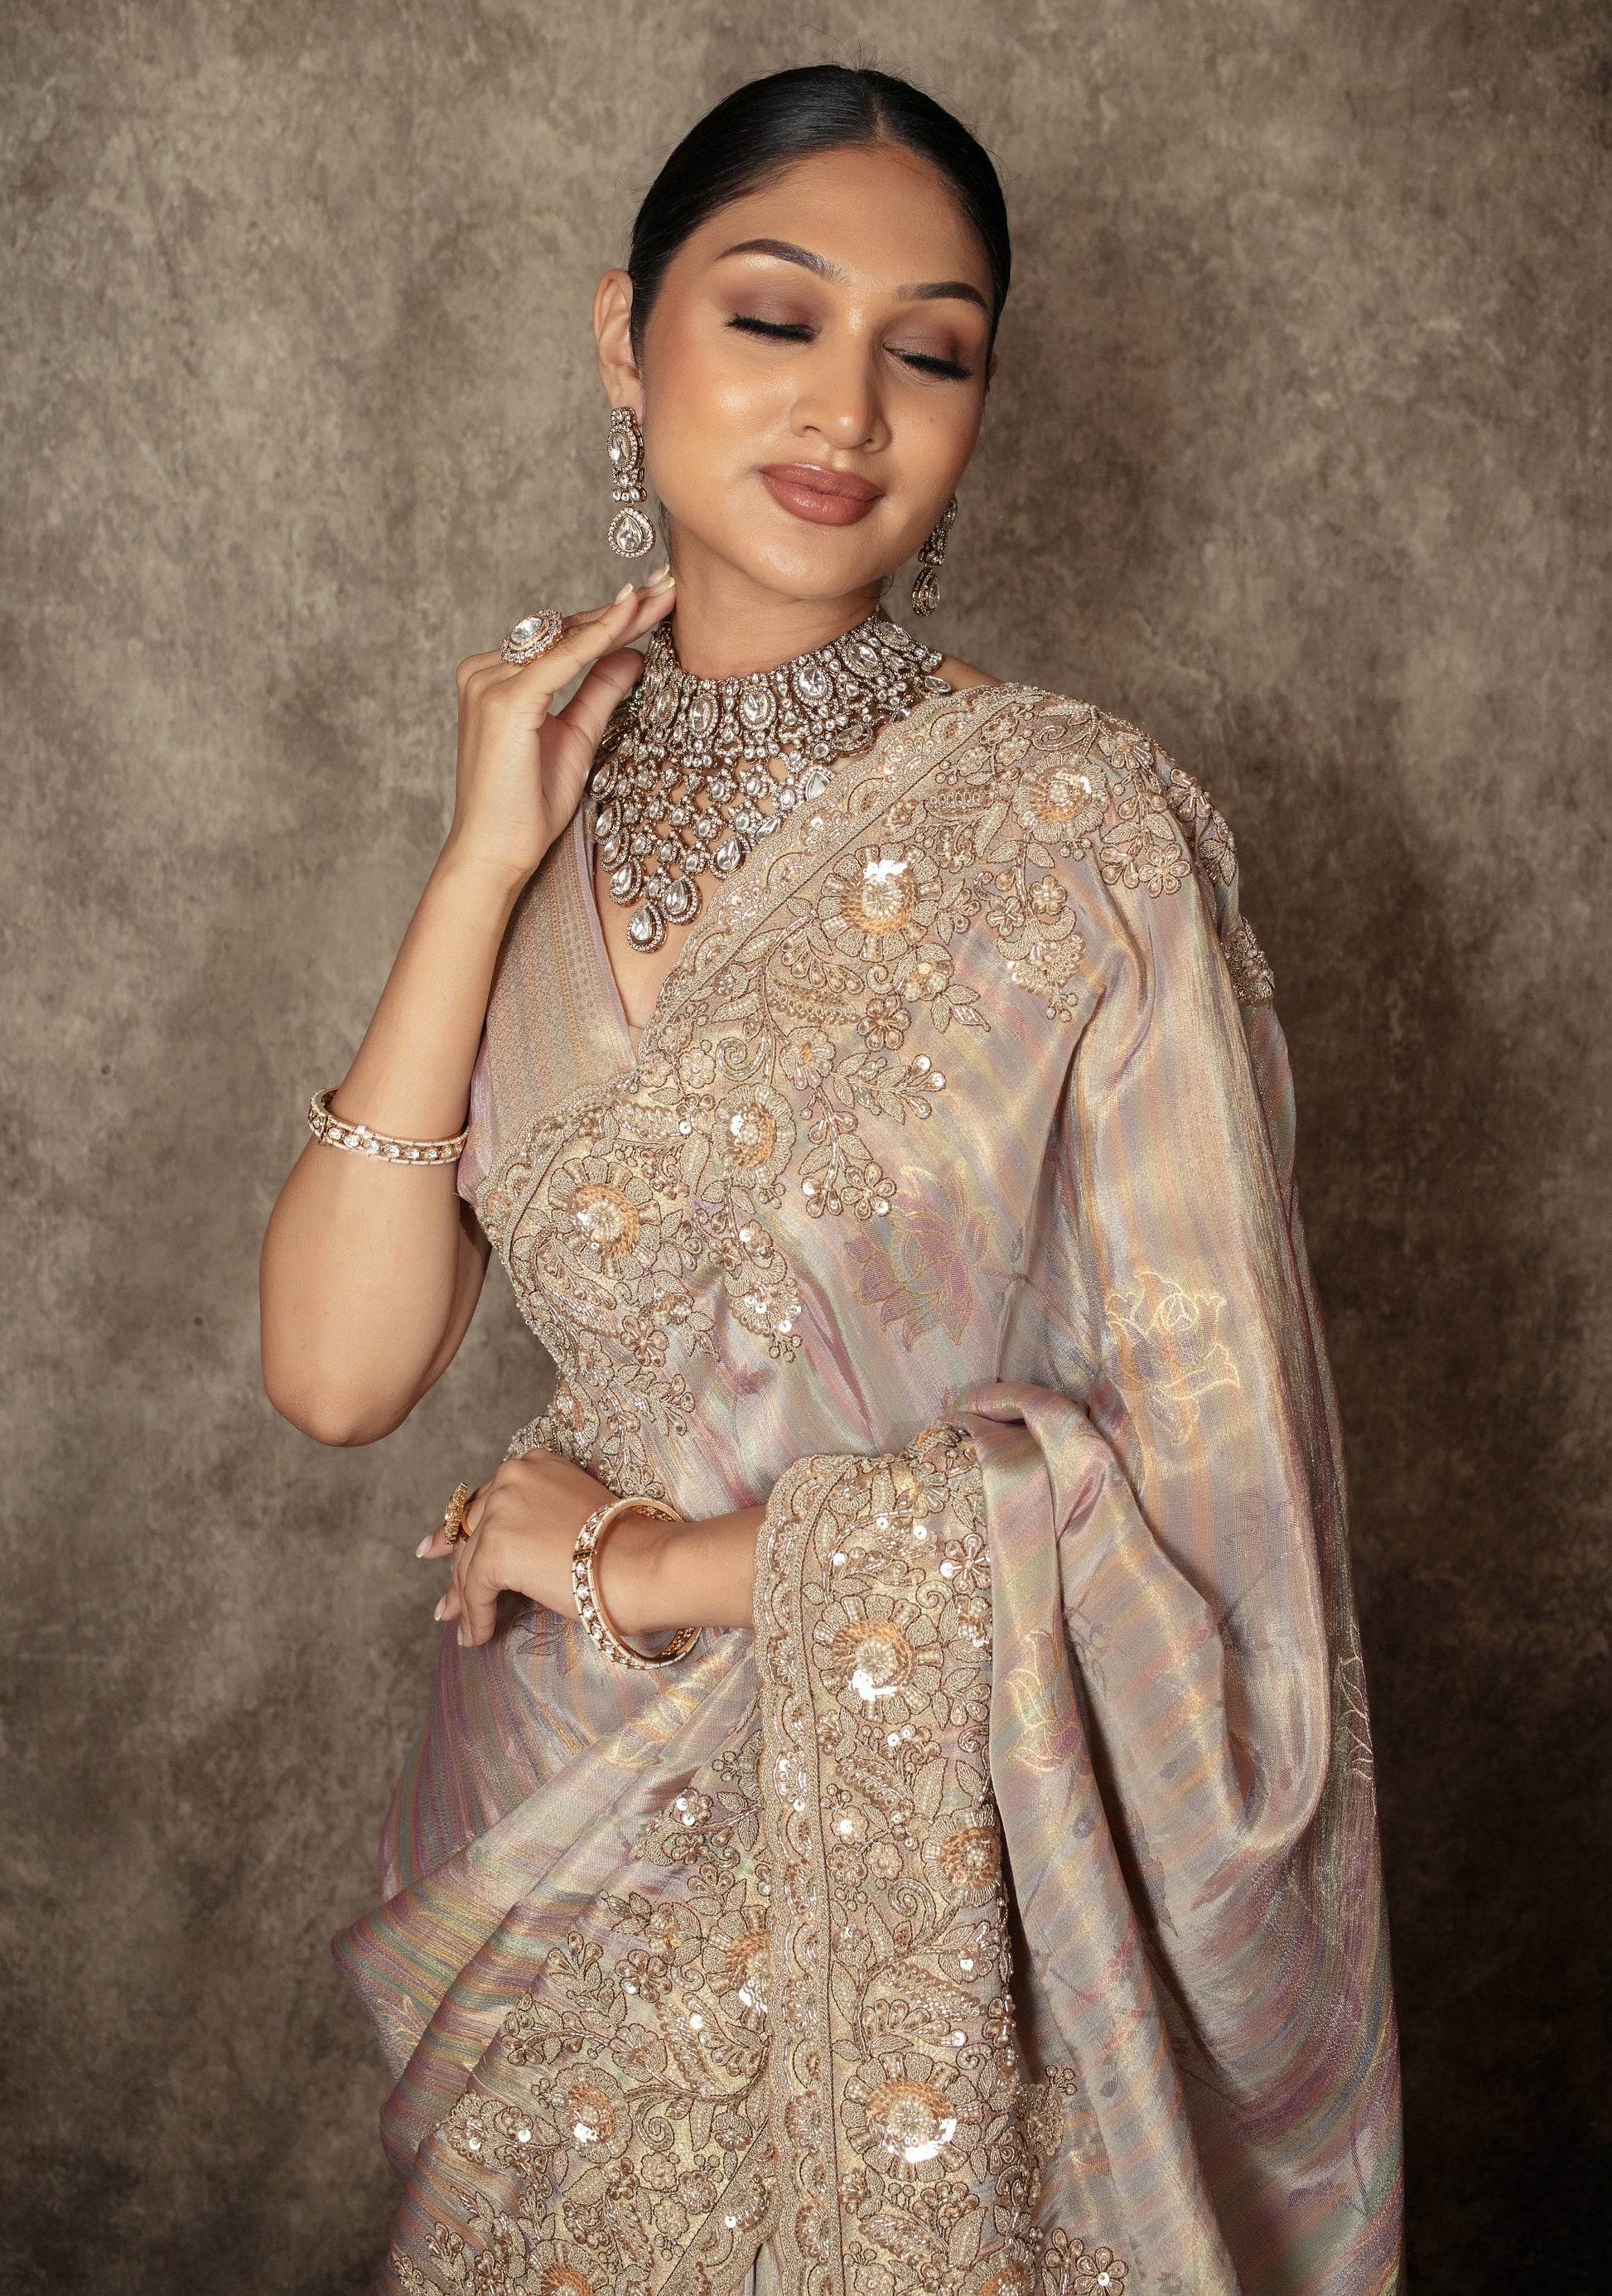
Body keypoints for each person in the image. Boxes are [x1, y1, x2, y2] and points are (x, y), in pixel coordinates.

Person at [260, 63, 1402, 2296]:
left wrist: (650, 1562)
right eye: (775, 317)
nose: (849, 408)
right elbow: (335, 1371)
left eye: (931, 351)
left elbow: (1213, 1515)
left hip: (961, 1882)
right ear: (627, 339)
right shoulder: (541, 831)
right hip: (570, 1858)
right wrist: (477, 863)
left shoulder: (1077, 839)